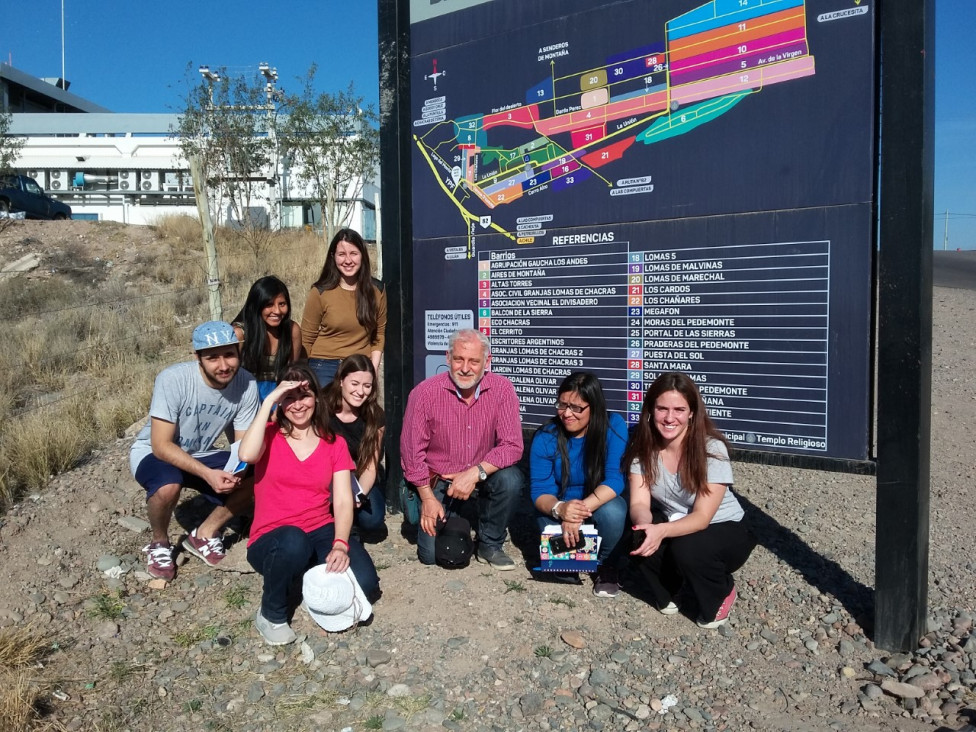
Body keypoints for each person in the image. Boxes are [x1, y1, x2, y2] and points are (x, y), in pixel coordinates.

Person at [239, 361, 380, 645]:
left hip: (319, 529)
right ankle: (271, 613)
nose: (298, 404)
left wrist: (340, 542)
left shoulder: (334, 442)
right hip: (273, 536)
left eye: (304, 395)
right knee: (293, 542)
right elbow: (247, 454)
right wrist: (269, 401)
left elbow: (342, 500)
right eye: (289, 397)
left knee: (367, 586)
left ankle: (305, 579)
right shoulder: (268, 434)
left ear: (317, 397)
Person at [129, 321, 260, 581]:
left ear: (239, 353)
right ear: (197, 358)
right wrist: (208, 475)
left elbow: (242, 448)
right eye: (212, 358)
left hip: (201, 452)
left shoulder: (247, 384)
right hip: (154, 452)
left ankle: (205, 533)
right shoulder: (174, 379)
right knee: (169, 485)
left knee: (257, 474)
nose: (223, 366)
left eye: (230, 355)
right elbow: (161, 445)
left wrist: (237, 471)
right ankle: (160, 543)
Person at [624, 372, 756, 628]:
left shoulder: (711, 449)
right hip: (678, 524)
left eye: (679, 409)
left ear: (692, 412)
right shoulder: (642, 449)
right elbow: (639, 504)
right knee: (636, 535)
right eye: (662, 408)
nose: (669, 417)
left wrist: (661, 530)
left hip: (724, 527)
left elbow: (702, 517)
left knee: (688, 549)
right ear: (651, 410)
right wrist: (646, 528)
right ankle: (670, 588)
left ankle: (720, 592)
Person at [401, 328, 524, 570]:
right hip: (439, 480)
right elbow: (411, 452)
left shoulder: (502, 390)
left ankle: (490, 543)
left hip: (481, 478)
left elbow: (512, 445)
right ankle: (456, 519)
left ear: (486, 362)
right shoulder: (424, 393)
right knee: (430, 556)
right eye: (459, 359)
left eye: (474, 361)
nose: (465, 368)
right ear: (448, 358)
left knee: (511, 479)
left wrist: (474, 473)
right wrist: (426, 497)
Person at [529, 372, 629, 597]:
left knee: (614, 511)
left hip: (597, 501)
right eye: (562, 405)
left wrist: (578, 512)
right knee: (545, 521)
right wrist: (561, 509)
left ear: (594, 407)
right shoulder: (546, 436)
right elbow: (539, 491)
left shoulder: (614, 426)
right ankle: (570, 560)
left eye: (576, 407)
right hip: (559, 505)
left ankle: (606, 564)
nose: (566, 413)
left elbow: (615, 479)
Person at [300, 228, 387, 387]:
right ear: (333, 257)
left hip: (359, 365)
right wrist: (301, 375)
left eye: (353, 253)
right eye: (342, 254)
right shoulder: (320, 292)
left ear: (363, 255)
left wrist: (372, 373)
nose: (348, 260)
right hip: (324, 365)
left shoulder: (377, 290)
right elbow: (306, 338)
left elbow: (379, 335)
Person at [324, 354, 387, 539]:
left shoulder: (375, 417)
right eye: (355, 383)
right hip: (327, 476)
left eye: (367, 386)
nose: (360, 391)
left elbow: (370, 466)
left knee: (373, 519)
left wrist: (357, 496)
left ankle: (349, 519)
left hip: (357, 477)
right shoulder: (322, 408)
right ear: (341, 380)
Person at [232, 276, 304, 401]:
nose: (277, 311)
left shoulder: (292, 330)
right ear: (256, 306)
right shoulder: (240, 334)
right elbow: (230, 377)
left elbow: (291, 373)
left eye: (282, 304)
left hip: (280, 393)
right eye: (269, 305)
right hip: (245, 395)